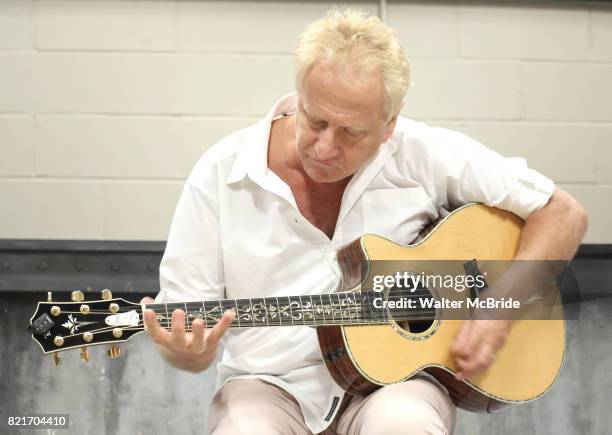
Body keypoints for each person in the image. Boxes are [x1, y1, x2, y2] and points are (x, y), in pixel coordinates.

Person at [141, 8, 587, 435]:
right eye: (314, 120)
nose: (324, 147)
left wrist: (497, 309)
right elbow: (184, 330)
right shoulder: (221, 173)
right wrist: (187, 354)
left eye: (351, 132)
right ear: (299, 93)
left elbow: (563, 213)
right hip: (266, 386)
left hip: (398, 385)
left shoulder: (423, 153)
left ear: (391, 123)